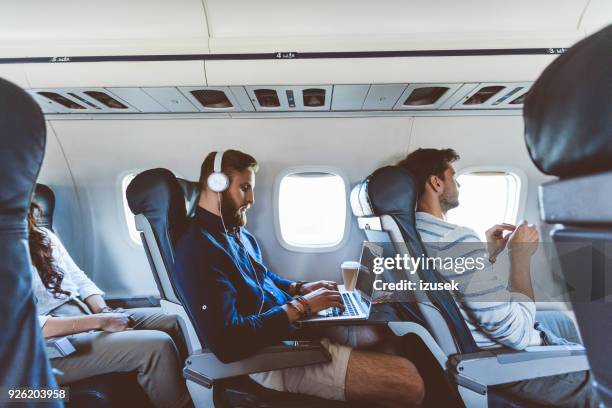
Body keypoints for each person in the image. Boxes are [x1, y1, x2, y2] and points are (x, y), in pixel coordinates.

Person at [174, 149, 425, 408]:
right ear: (217, 184)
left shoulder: (237, 234)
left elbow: (263, 278)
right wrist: (302, 306)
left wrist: (300, 288)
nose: (251, 199)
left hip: (286, 330)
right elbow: (228, 343)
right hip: (266, 356)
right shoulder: (198, 249)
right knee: (409, 381)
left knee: (377, 333)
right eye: (244, 188)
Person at [398, 148, 599, 407]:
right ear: (436, 182)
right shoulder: (456, 239)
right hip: (502, 360)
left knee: (562, 319)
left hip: (484, 341)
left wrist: (487, 255)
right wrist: (520, 256)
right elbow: (516, 334)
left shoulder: (416, 234)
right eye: (453, 177)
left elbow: (457, 287)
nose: (458, 184)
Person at [28, 202, 192, 408]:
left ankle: (204, 392)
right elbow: (27, 326)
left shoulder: (41, 236)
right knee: (157, 346)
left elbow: (80, 281)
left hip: (83, 313)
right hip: (42, 348)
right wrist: (100, 321)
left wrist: (104, 311)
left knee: (175, 322)